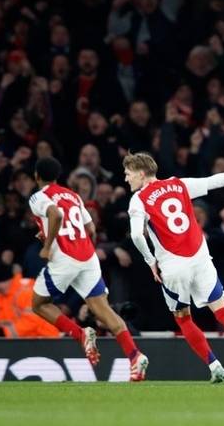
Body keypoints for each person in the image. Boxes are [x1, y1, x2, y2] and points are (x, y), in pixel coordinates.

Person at [124, 151, 224, 383]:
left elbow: (136, 235)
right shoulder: (178, 184)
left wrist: (150, 261)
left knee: (183, 319)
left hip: (172, 265)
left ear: (141, 174)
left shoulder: (139, 199)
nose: (126, 178)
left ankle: (214, 366)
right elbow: (216, 180)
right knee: (223, 311)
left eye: (128, 174)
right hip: (200, 258)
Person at [29, 156, 149, 379]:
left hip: (64, 258)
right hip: (87, 256)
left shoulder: (38, 196)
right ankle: (135, 355)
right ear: (57, 176)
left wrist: (47, 247)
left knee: (38, 303)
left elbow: (55, 214)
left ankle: (80, 334)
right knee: (103, 310)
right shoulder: (72, 195)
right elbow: (91, 228)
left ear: (36, 176)